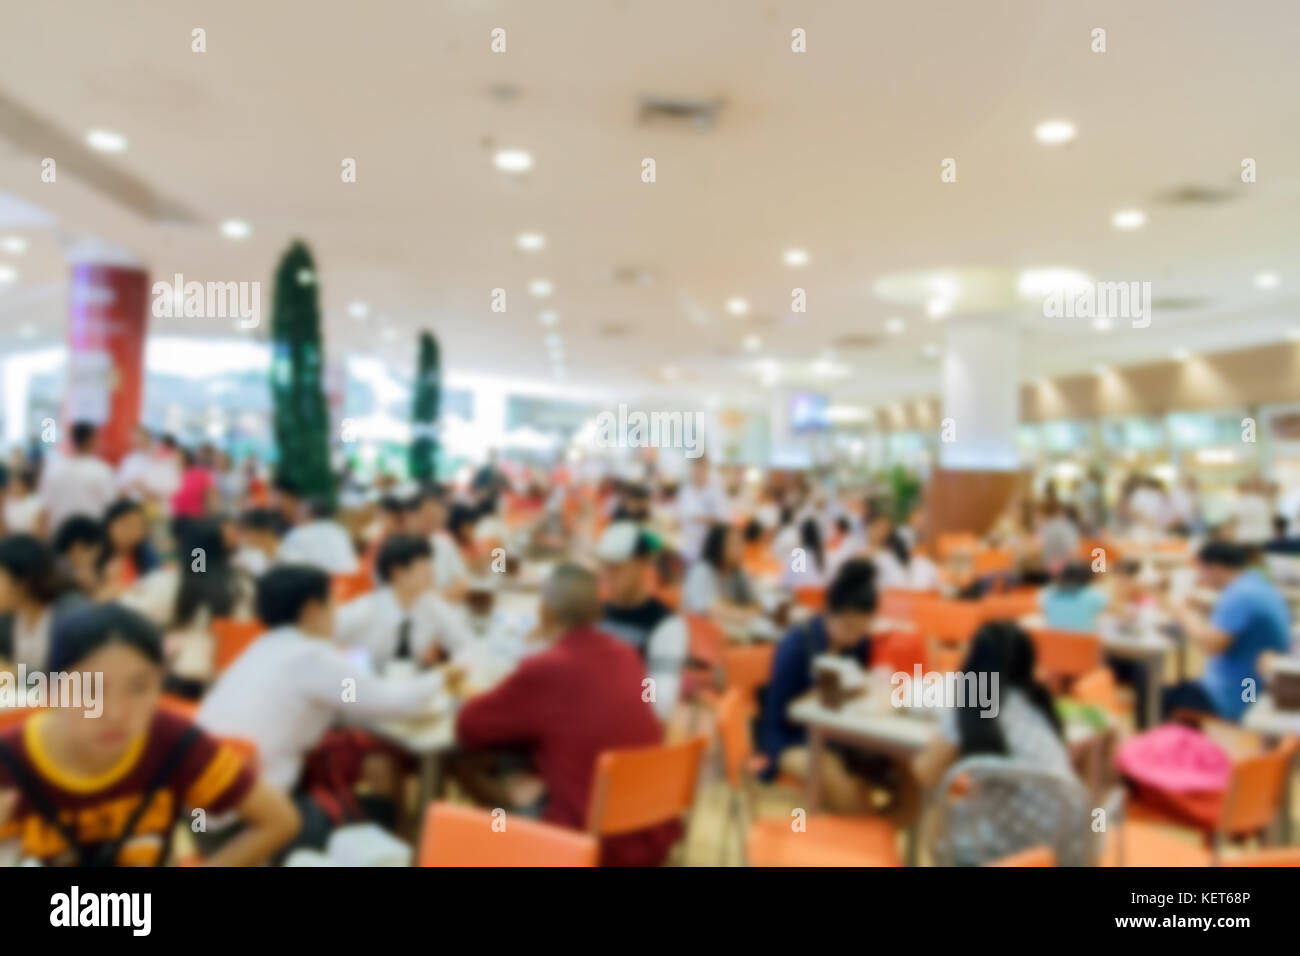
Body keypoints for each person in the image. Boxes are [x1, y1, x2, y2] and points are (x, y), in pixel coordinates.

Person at [0, 603, 298, 866]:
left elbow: (279, 820)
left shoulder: (173, 742)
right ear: (52, 690)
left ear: (160, 686)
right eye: (90, 690)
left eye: (139, 687)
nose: (115, 713)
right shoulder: (10, 760)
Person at [197, 565, 446, 851]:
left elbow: (349, 699)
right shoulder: (311, 657)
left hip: (207, 814)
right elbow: (391, 702)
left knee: (363, 759)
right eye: (332, 602)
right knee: (378, 809)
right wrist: (443, 678)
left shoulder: (260, 648)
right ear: (313, 609)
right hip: (253, 827)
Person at [455, 563, 680, 866]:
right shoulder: (628, 655)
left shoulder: (548, 667)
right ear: (599, 612)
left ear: (544, 613)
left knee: (462, 760)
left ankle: (505, 845)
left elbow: (468, 726)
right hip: (649, 826)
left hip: (585, 841)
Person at [911, 621, 1092, 866]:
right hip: (1072, 846)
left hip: (1014, 852)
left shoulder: (977, 704)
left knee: (937, 814)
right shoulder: (1035, 702)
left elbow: (925, 773)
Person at [758, 559, 882, 813]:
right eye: (848, 627)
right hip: (789, 739)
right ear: (828, 612)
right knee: (839, 787)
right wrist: (819, 695)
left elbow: (859, 684)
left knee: (904, 774)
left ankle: (876, 830)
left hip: (840, 734)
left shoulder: (859, 644)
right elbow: (781, 711)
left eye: (862, 629)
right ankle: (868, 836)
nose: (855, 637)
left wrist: (860, 687)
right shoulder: (798, 643)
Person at [121, 518, 256, 697]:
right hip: (234, 682)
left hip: (183, 683)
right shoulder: (245, 584)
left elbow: (125, 613)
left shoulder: (172, 583)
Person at [1161, 541, 1290, 721]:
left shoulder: (1240, 595)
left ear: (1214, 567)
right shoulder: (1255, 584)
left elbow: (1211, 644)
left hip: (1237, 698)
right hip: (1255, 688)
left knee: (1156, 698)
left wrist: (1181, 611)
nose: (1199, 577)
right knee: (1177, 688)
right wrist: (1203, 607)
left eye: (1201, 570)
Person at [334, 534, 472, 672]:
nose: (431, 570)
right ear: (398, 571)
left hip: (412, 685)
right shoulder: (366, 609)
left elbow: (466, 644)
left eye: (430, 562)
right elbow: (321, 638)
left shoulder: (431, 605)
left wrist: (454, 670)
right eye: (423, 564)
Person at [596, 522, 687, 723]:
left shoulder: (665, 625)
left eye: (617, 568)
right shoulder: (595, 613)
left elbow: (658, 702)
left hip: (630, 734)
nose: (607, 576)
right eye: (604, 567)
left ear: (642, 567)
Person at [0, 535, 84, 672]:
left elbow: (77, 674)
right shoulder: (7, 618)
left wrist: (17, 674)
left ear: (21, 582)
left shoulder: (71, 612)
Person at [37, 422, 115, 532]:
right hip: (91, 535)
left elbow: (44, 508)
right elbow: (110, 507)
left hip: (58, 532)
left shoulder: (54, 468)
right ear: (91, 439)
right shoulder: (101, 470)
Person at [681, 522, 759, 629]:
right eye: (735, 544)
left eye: (741, 544)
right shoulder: (702, 570)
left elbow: (756, 603)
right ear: (718, 546)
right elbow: (707, 609)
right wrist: (743, 614)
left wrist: (746, 612)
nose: (741, 549)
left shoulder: (739, 573)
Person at [278, 495, 360, 575]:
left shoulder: (299, 533)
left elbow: (287, 564)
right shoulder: (338, 529)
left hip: (320, 583)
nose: (295, 514)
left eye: (300, 510)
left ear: (309, 513)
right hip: (351, 581)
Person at [99, 498, 161, 593]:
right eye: (126, 524)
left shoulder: (144, 551)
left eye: (138, 525)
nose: (133, 531)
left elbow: (157, 577)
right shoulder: (101, 558)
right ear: (109, 526)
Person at [676, 457, 729, 562]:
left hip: (710, 551)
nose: (698, 471)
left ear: (707, 469)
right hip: (688, 549)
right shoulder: (686, 491)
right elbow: (680, 516)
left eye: (702, 467)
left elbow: (723, 519)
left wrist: (699, 518)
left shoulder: (716, 491)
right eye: (696, 467)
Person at [1039, 561, 1108, 633]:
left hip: (1052, 640)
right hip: (1084, 640)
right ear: (1089, 577)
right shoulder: (1095, 595)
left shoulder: (1049, 593)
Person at [52, 516, 106, 596]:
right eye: (96, 549)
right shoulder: (62, 578)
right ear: (77, 548)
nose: (99, 554)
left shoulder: (100, 571)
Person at [171, 446, 218, 520]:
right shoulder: (175, 474)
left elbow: (211, 495)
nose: (175, 460)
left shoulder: (200, 473)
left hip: (196, 517)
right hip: (178, 517)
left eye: (178, 457)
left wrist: (212, 515)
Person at [2, 467, 43, 537]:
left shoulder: (36, 504)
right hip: (9, 541)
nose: (12, 486)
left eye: (16, 484)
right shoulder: (7, 502)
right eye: (11, 484)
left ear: (25, 485)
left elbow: (38, 532)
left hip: (27, 542)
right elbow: (4, 528)